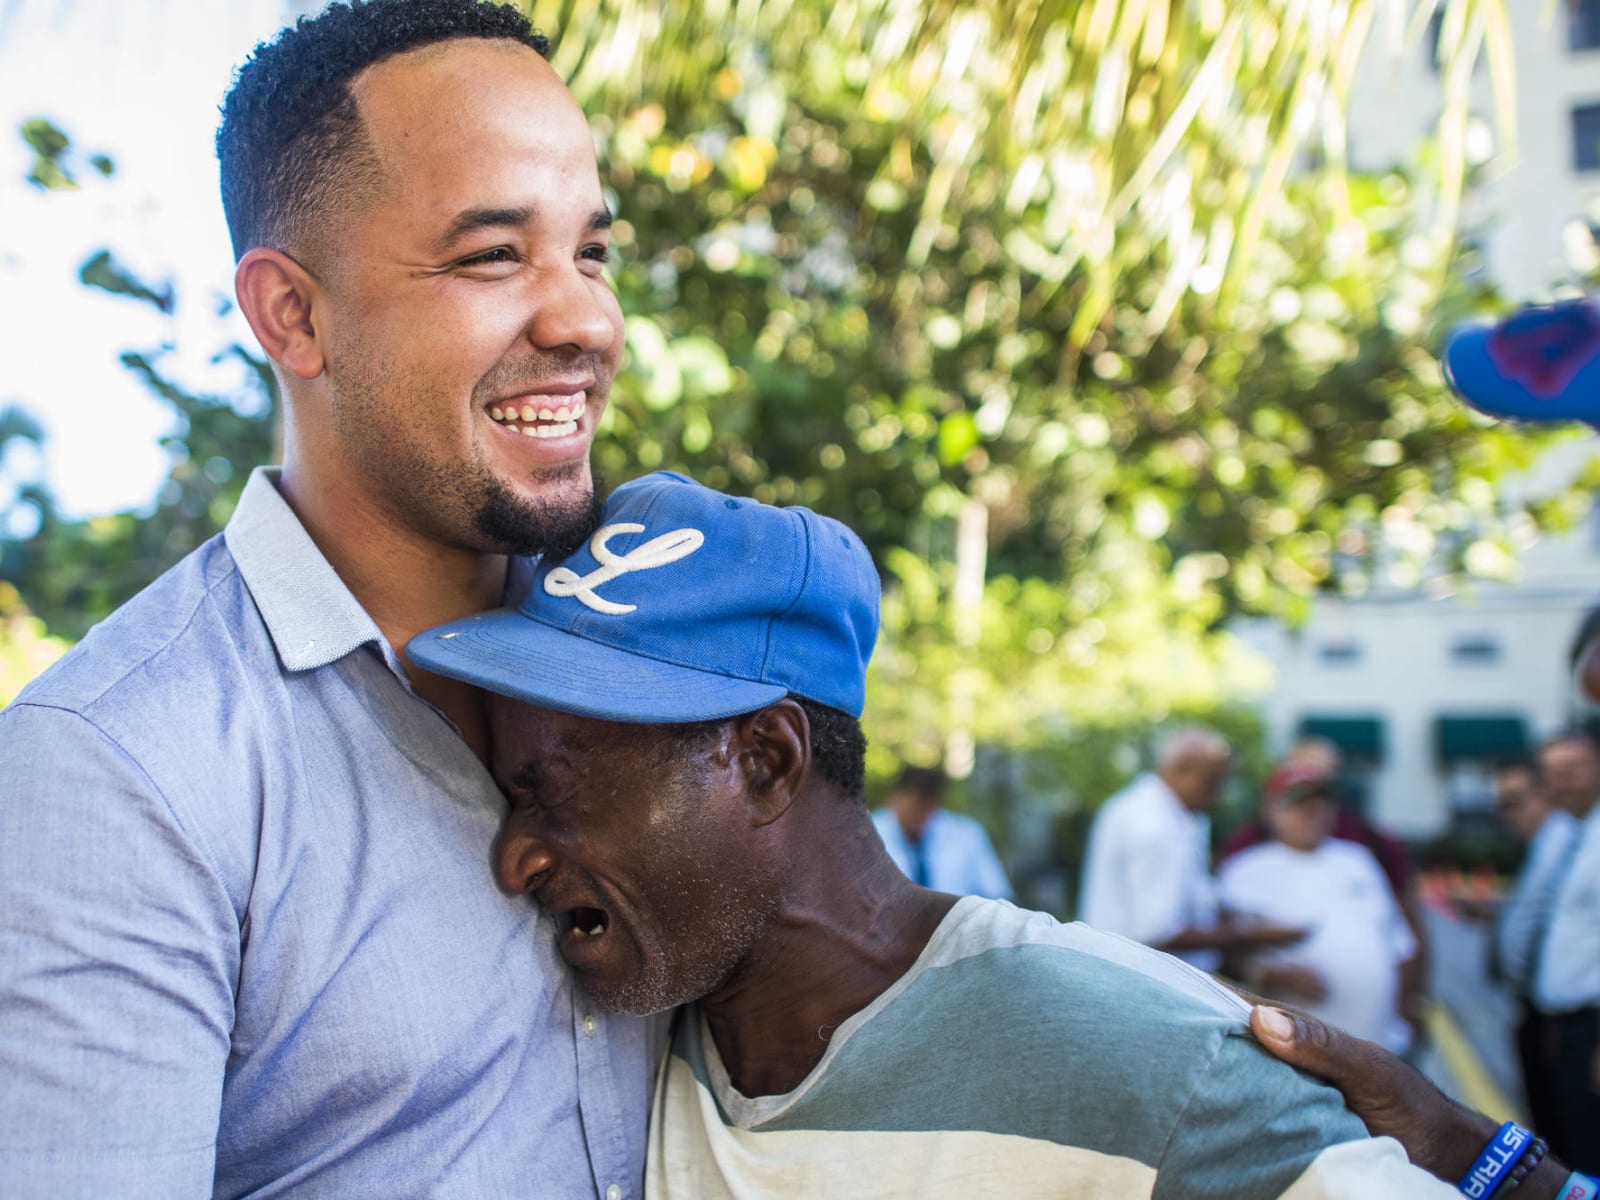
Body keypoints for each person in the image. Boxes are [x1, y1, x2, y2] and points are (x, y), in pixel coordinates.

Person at [0, 3, 661, 1194]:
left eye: (592, 251)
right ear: (292, 315)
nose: (585, 320)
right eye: (492, 256)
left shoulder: (667, 652)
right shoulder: (114, 770)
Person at [411, 469, 1462, 1198]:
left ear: (766, 763)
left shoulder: (1141, 1062)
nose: (517, 855)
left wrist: (1506, 1167)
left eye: (557, 792)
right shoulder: (631, 1036)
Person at [1218, 761, 1417, 1055]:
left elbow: (1401, 945)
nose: (1314, 812)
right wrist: (1271, 976)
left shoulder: (1358, 859)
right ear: (1272, 809)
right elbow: (1223, 959)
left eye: (1323, 802)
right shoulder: (1245, 870)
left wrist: (1410, 1008)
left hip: (1381, 1046)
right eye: (1300, 803)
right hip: (1296, 1054)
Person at [1077, 728, 1302, 970]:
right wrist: (1250, 934)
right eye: (1214, 781)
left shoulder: (1150, 808)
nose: (1219, 795)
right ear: (1182, 769)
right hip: (1142, 982)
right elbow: (1159, 932)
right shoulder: (1154, 824)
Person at [1487, 757, 1578, 1145]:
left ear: (1546, 796)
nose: (1507, 814)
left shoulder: (1567, 839)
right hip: (1537, 1006)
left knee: (1565, 1129)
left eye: (1516, 800)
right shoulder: (1546, 845)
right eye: (1502, 804)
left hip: (1560, 1014)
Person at [1530, 729, 1600, 1170]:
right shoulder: (1568, 831)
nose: (1560, 783)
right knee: (1566, 1152)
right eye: (1552, 774)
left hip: (1590, 1029)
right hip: (1558, 1027)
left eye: (1572, 770)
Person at [871, 764, 1013, 899]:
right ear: (893, 798)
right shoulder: (868, 833)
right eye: (912, 806)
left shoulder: (967, 834)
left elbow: (996, 892)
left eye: (925, 807)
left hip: (959, 922)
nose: (918, 814)